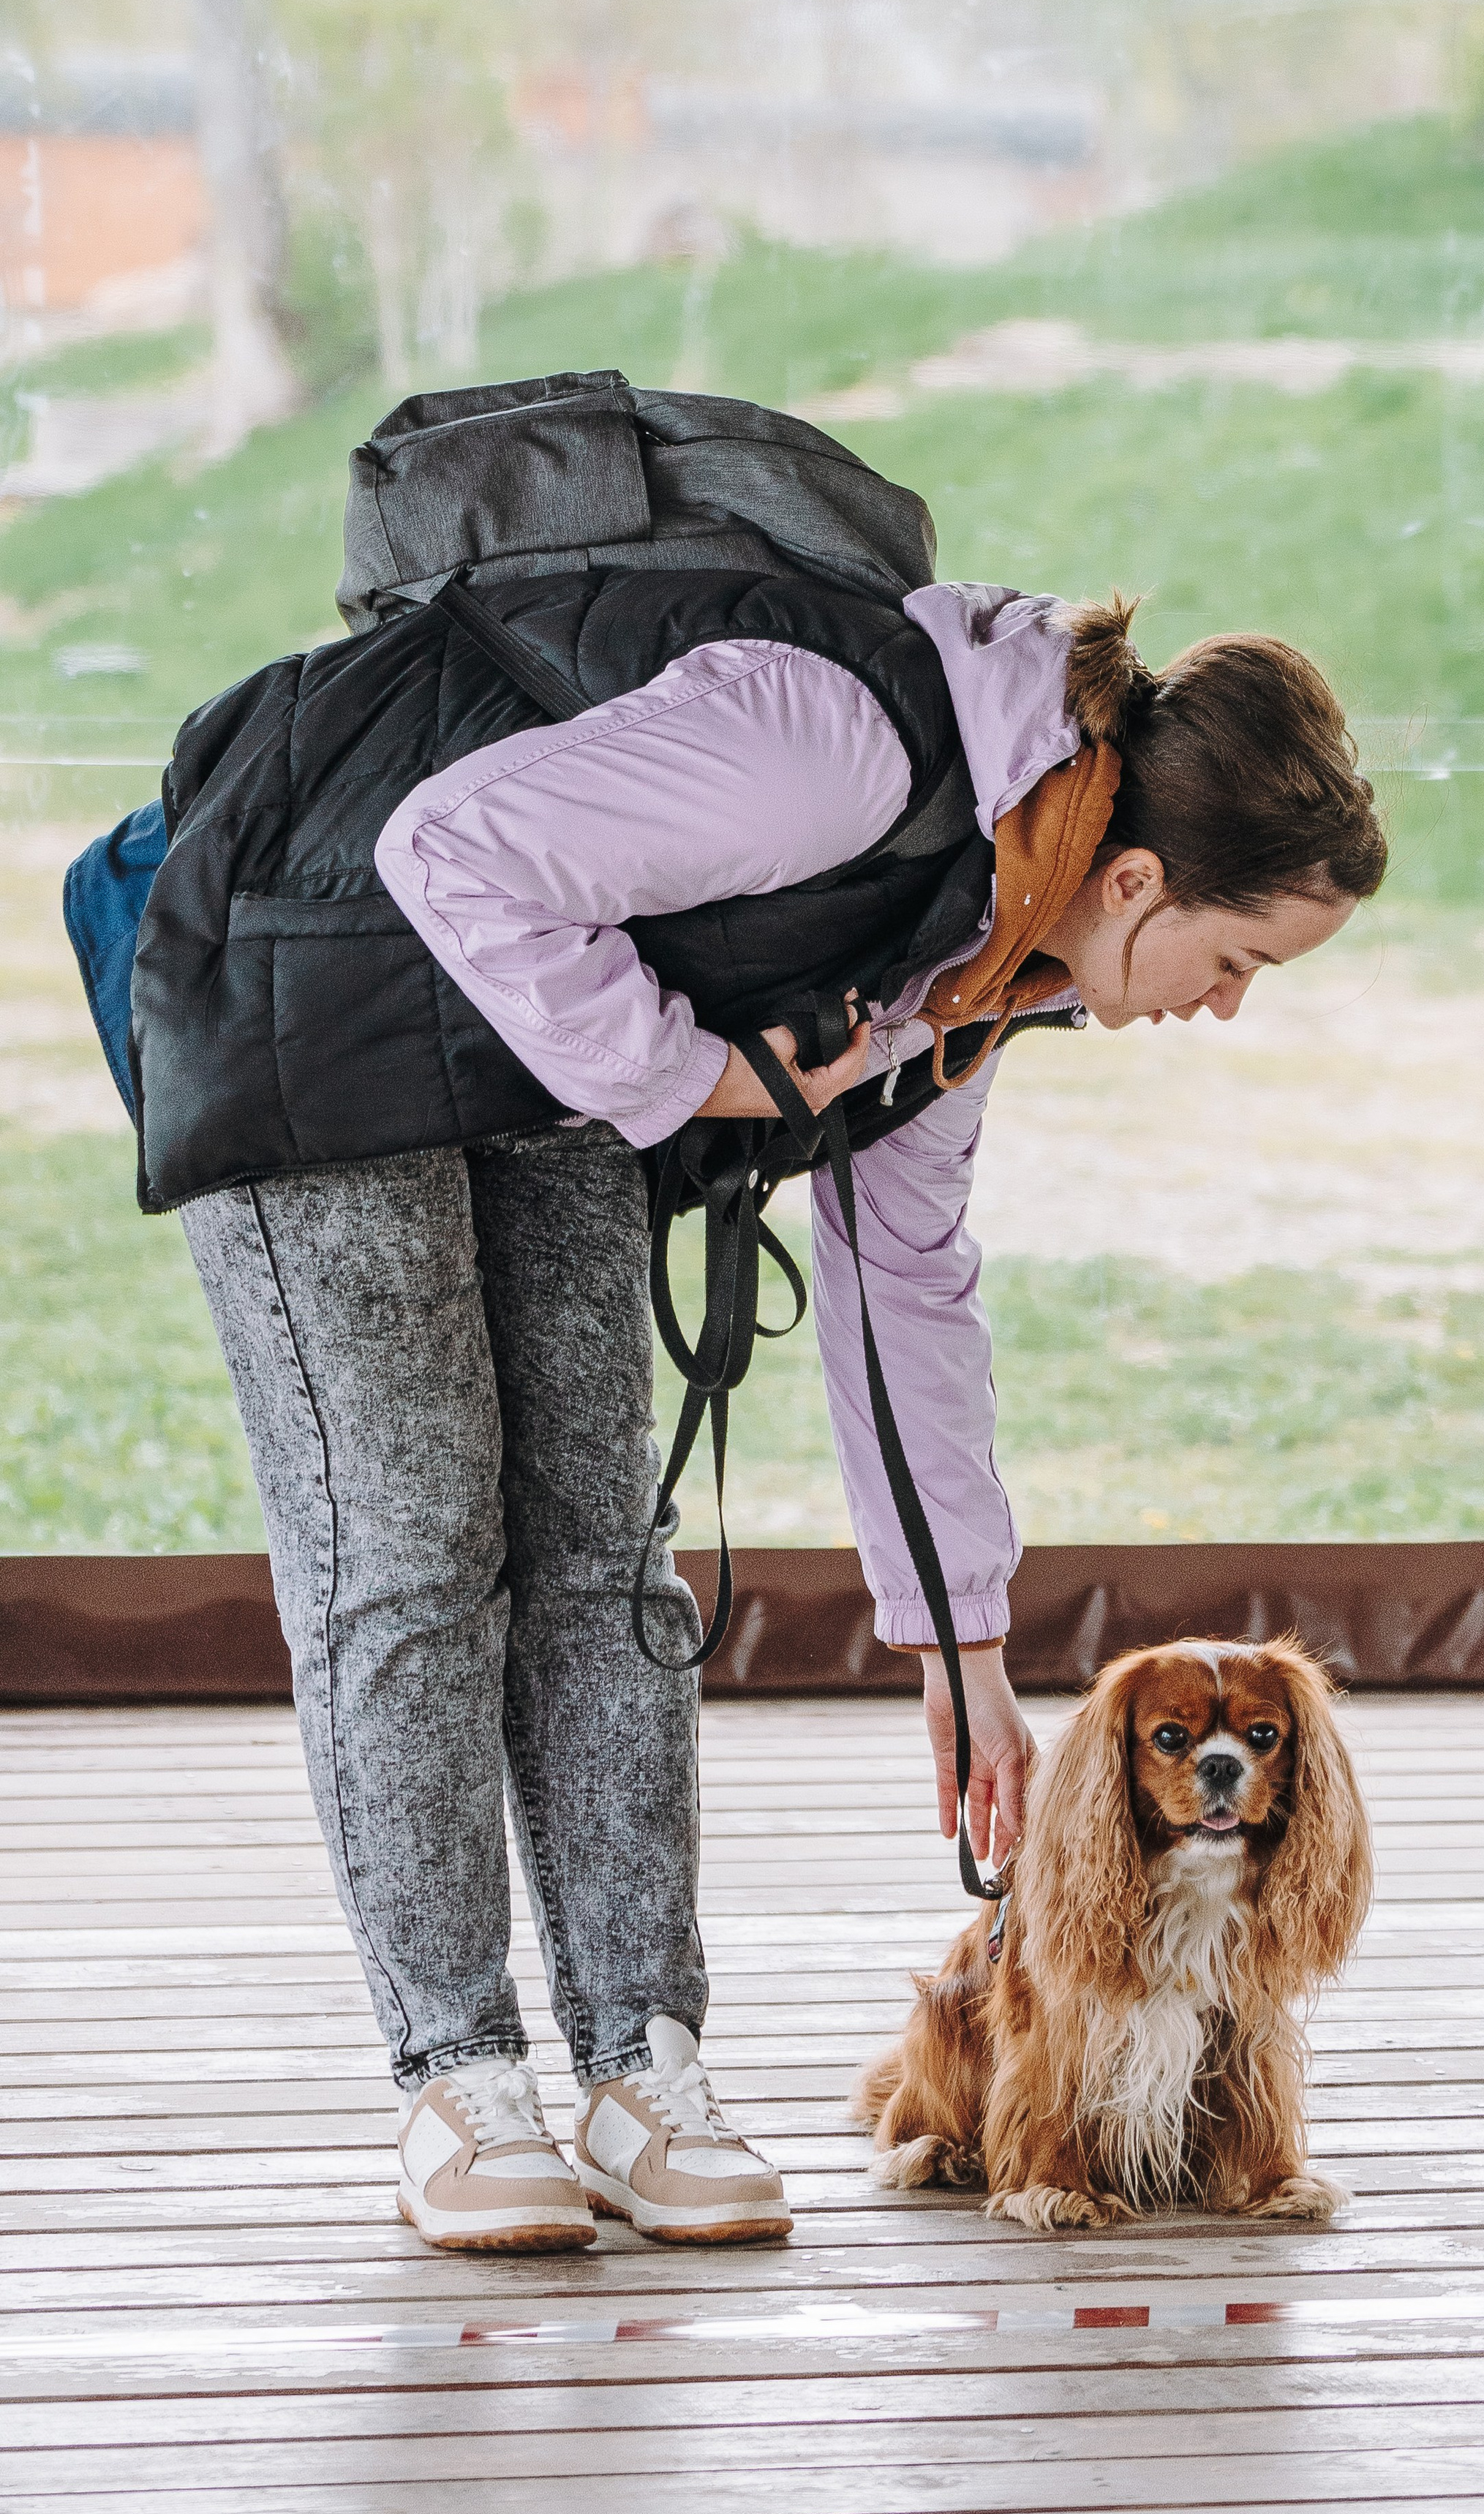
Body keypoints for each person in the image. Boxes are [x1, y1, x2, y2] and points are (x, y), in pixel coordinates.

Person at [165, 576, 1386, 2254]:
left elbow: (906, 1294)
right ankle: (456, 2074)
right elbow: (449, 848)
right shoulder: (843, 749)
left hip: (543, 1054)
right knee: (413, 1546)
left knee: (605, 1547)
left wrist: (962, 1650)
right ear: (1135, 878)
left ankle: (632, 2059)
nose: (1226, 1002)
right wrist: (705, 1080)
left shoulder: (984, 968)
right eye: (1237, 957)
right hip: (310, 981)